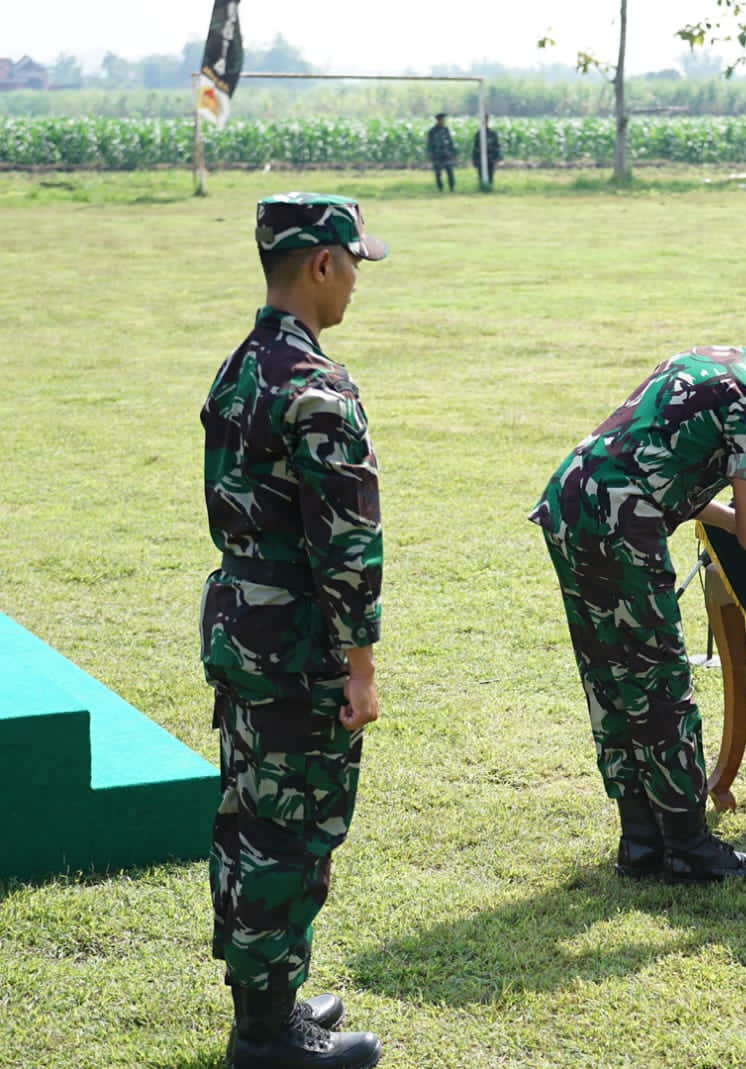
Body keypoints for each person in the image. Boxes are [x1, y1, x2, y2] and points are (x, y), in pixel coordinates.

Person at [529, 304, 746, 883]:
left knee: (612, 678)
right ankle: (688, 848)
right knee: (660, 683)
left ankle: (641, 841)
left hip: (572, 504)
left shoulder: (712, 359)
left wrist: (737, 521)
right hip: (620, 523)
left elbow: (659, 465)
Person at [200, 193, 389, 1069]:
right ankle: (268, 1037)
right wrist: (360, 669)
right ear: (321, 265)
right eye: (354, 262)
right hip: (297, 648)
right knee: (294, 830)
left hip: (242, 627)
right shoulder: (317, 387)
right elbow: (346, 547)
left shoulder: (242, 366)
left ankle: (269, 1000)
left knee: (250, 817)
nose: (357, 280)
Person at [426, 112, 456, 192]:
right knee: (438, 173)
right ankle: (440, 188)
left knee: (450, 172)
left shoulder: (446, 130)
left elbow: (450, 142)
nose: (443, 121)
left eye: (443, 120)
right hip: (437, 155)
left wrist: (453, 153)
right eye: (441, 120)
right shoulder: (432, 131)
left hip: (447, 154)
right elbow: (429, 144)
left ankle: (452, 187)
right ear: (438, 120)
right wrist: (430, 154)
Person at [471, 118, 503, 189]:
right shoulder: (478, 134)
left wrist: (498, 157)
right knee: (481, 175)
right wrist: (474, 159)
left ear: (487, 122)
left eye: (485, 121)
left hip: (491, 158)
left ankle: (489, 188)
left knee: (490, 174)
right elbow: (475, 148)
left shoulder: (493, 134)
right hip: (480, 159)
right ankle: (482, 187)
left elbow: (497, 146)